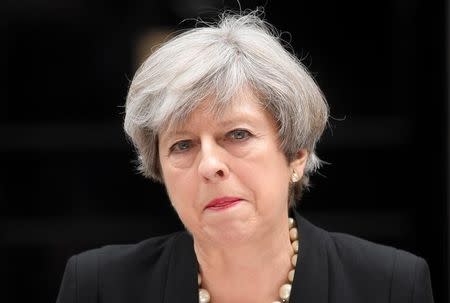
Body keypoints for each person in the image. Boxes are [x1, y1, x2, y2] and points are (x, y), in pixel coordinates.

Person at [56, 11, 434, 303]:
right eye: (182, 145)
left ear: (296, 155)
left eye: (237, 135)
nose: (209, 165)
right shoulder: (98, 286)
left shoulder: (390, 284)